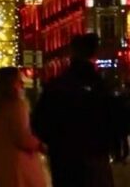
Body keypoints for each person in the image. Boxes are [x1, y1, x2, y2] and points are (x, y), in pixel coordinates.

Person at [32, 33, 114, 187]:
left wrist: (55, 142)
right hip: (94, 154)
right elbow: (113, 119)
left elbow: (39, 120)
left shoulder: (57, 85)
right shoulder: (100, 86)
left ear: (72, 52)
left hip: (64, 155)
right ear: (94, 53)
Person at [0, 67, 47, 187]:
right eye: (18, 79)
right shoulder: (16, 106)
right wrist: (39, 144)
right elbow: (22, 137)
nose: (22, 83)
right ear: (9, 83)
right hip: (16, 167)